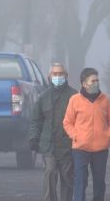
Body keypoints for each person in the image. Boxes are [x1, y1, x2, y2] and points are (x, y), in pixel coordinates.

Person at [63, 68, 110, 201]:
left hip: (101, 149)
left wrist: (108, 136)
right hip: (80, 149)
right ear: (84, 83)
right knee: (80, 182)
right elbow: (67, 122)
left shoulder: (105, 100)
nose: (96, 83)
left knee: (99, 184)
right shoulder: (75, 100)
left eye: (97, 80)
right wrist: (75, 135)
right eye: (93, 81)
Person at [29, 63, 77, 201]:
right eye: (55, 74)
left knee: (67, 178)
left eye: (60, 73)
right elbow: (36, 120)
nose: (57, 76)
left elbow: (81, 120)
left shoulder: (74, 96)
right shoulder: (43, 97)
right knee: (50, 172)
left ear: (66, 76)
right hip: (48, 145)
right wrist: (33, 138)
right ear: (49, 76)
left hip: (68, 145)